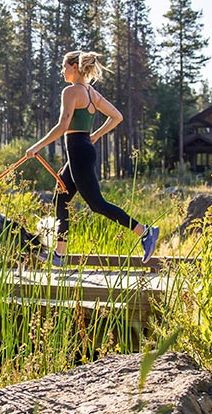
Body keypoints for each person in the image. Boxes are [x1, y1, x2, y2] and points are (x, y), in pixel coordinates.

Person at [26, 51, 159, 265]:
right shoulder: (91, 93)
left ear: (74, 67)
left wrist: (36, 147)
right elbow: (117, 116)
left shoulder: (71, 92)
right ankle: (59, 254)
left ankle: (145, 232)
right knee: (61, 198)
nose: (62, 71)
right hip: (82, 150)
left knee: (97, 204)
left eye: (64, 66)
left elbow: (62, 126)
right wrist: (95, 135)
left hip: (79, 151)